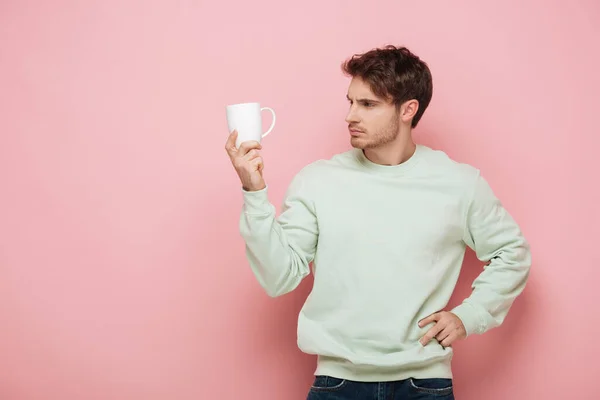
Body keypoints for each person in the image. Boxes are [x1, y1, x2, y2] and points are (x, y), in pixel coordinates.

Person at [224, 45, 531, 400]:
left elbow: (512, 252)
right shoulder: (318, 181)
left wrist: (470, 315)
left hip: (424, 384)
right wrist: (254, 190)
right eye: (351, 101)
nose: (350, 116)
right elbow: (280, 277)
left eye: (368, 105)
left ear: (408, 109)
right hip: (337, 384)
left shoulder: (458, 183)